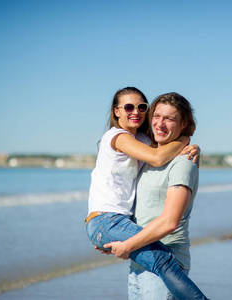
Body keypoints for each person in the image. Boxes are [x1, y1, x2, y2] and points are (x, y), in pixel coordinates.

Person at [85, 87, 208, 299]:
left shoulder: (157, 150)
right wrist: (185, 139)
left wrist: (125, 245)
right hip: (110, 222)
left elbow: (168, 219)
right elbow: (159, 156)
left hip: (150, 245)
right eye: (129, 107)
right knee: (162, 263)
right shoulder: (119, 137)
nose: (136, 112)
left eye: (142, 107)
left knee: (164, 262)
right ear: (116, 111)